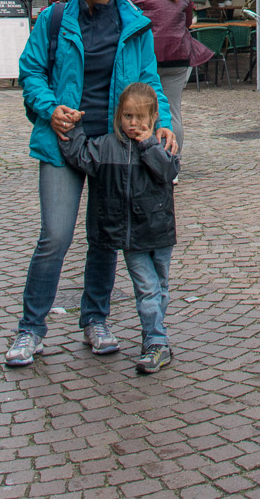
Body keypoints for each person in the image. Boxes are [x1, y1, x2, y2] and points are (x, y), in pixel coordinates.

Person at [5, 0, 174, 369]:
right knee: (55, 237)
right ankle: (31, 329)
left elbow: (150, 81)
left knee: (104, 240)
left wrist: (165, 122)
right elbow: (31, 69)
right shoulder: (57, 17)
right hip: (63, 140)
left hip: (114, 146)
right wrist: (49, 108)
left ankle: (95, 319)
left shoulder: (134, 22)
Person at [80, 82, 181, 374]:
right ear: (118, 116)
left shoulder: (161, 144)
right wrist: (68, 128)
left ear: (153, 119)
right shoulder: (108, 146)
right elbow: (81, 154)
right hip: (131, 234)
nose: (133, 124)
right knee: (148, 289)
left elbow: (168, 171)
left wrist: (149, 143)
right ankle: (156, 343)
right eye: (128, 117)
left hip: (160, 232)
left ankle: (155, 338)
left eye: (140, 118)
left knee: (160, 287)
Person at [121, 0, 213, 151]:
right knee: (172, 113)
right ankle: (172, 164)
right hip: (179, 57)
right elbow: (188, 21)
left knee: (139, 110)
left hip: (145, 58)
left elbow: (120, 21)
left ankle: (142, 158)